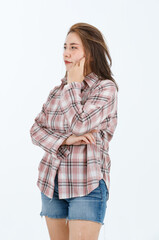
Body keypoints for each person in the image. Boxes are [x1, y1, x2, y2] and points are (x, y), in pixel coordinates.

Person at [30, 22, 119, 240]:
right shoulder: (57, 90)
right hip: (51, 183)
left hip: (86, 185)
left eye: (73, 47)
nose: (66, 53)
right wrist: (66, 140)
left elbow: (80, 124)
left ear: (90, 52)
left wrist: (73, 86)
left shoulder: (105, 88)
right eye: (64, 47)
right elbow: (35, 130)